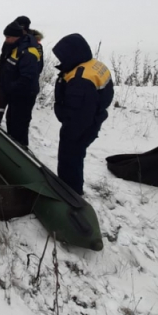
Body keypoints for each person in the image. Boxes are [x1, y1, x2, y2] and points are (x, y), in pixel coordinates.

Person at [52, 33, 114, 195]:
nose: (61, 60)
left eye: (62, 56)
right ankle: (72, 189)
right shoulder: (93, 65)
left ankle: (71, 193)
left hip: (79, 127)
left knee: (69, 159)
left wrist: (69, 133)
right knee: (75, 157)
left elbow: (80, 114)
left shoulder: (81, 80)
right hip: (93, 120)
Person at [0, 21, 43, 148]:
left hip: (24, 95)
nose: (6, 40)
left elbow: (27, 79)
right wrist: (1, 79)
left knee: (19, 125)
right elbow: (3, 62)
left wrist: (10, 87)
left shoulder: (28, 53)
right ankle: (9, 144)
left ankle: (21, 149)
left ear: (17, 36)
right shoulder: (12, 46)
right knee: (11, 120)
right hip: (12, 91)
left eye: (8, 37)